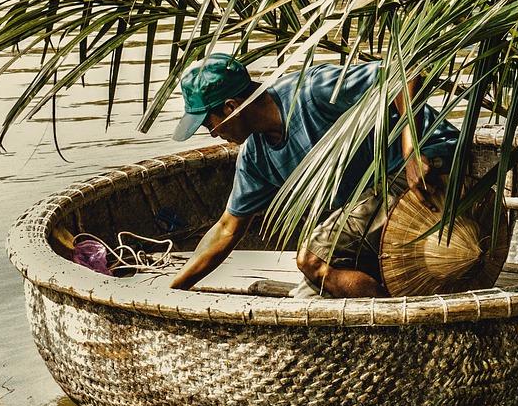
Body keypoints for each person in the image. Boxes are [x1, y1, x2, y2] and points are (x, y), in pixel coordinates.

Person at [167, 54, 457, 296]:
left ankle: (404, 326)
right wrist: (175, 289)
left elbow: (402, 72)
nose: (214, 134)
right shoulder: (255, 158)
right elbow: (227, 228)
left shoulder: (313, 91)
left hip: (432, 164)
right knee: (308, 296)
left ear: (231, 108)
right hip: (375, 204)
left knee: (313, 258)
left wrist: (412, 149)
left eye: (210, 125)